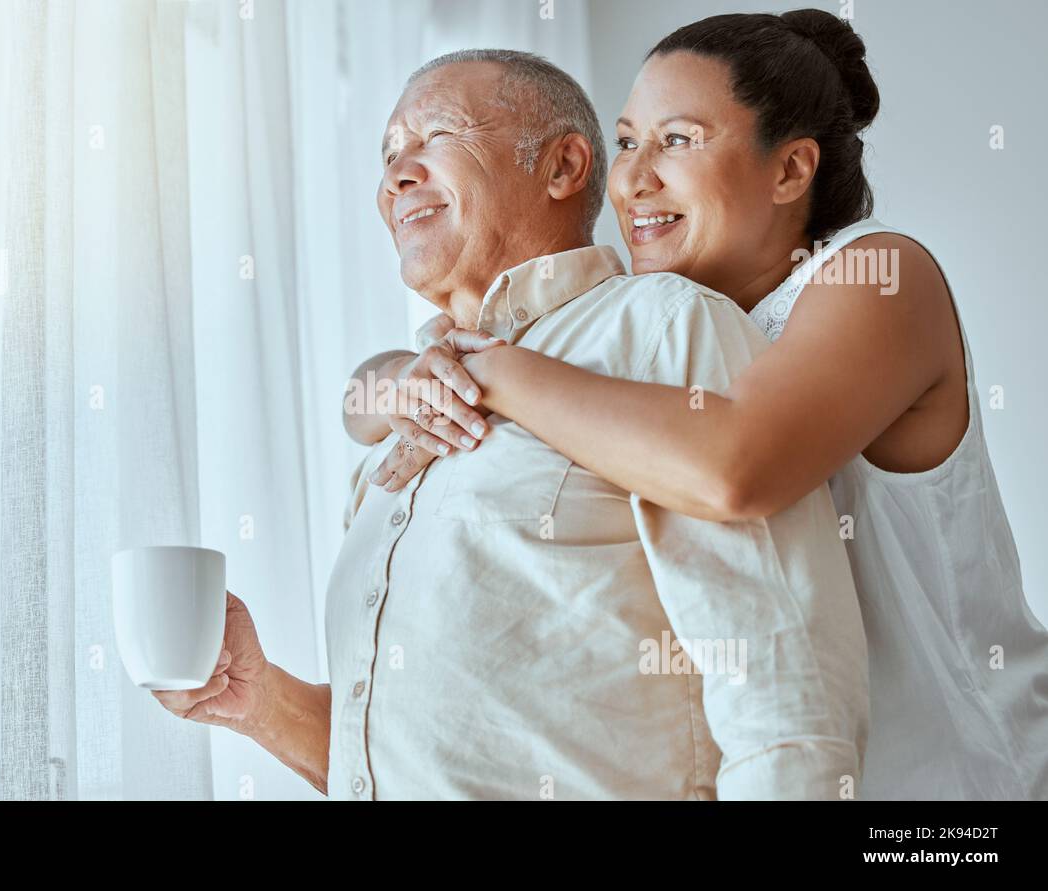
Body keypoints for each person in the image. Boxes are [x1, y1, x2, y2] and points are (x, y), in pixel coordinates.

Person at [350, 11, 1048, 801]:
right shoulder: (665, 327)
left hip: (969, 794)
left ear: (790, 172)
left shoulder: (875, 276)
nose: (634, 179)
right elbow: (368, 397)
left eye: (677, 141)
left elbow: (736, 467)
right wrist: (409, 373)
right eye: (627, 142)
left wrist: (487, 370)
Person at [154, 48, 870, 800]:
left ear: (563, 167)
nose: (396, 175)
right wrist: (261, 700)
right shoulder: (407, 416)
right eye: (389, 154)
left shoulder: (660, 330)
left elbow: (786, 690)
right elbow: (413, 763)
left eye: (436, 137)